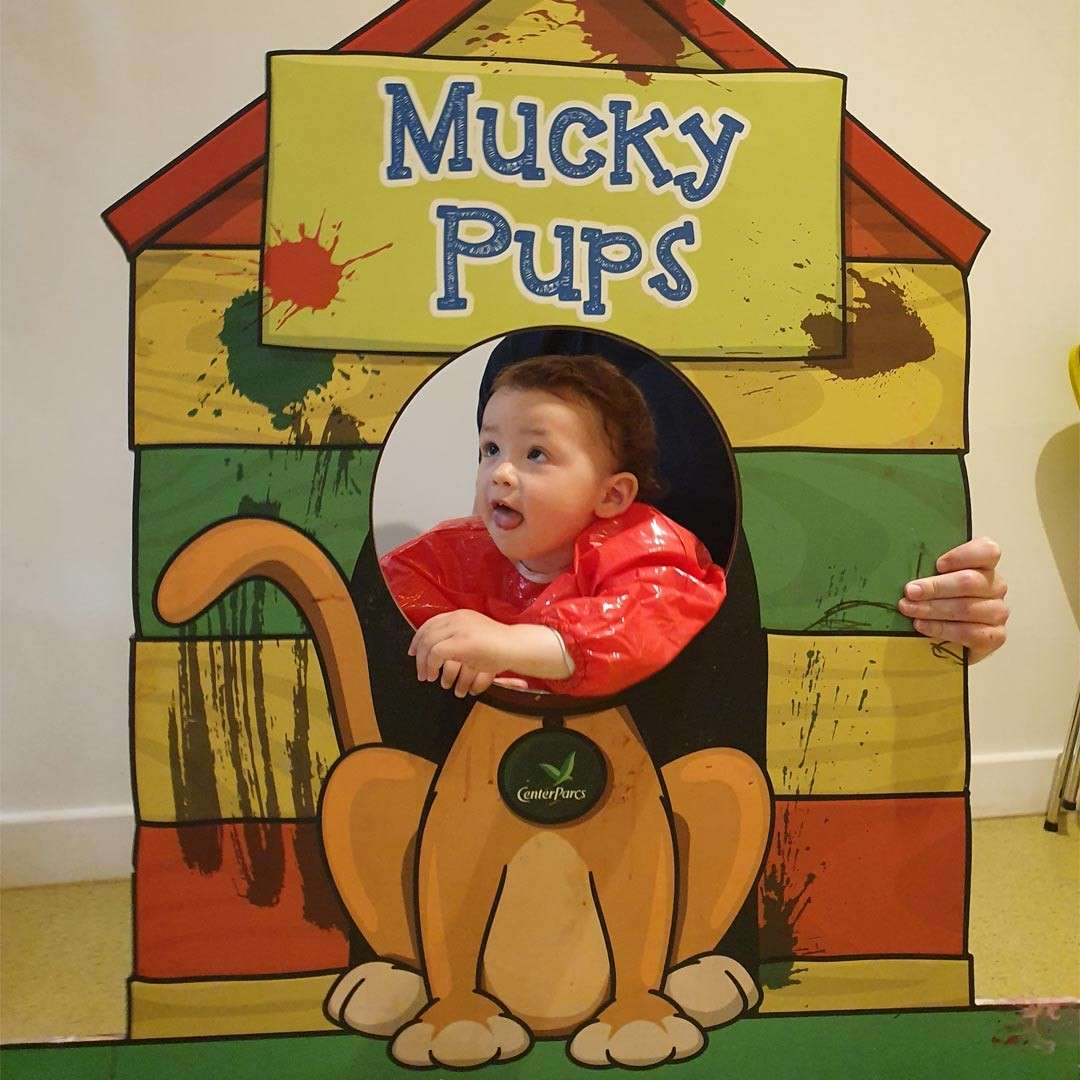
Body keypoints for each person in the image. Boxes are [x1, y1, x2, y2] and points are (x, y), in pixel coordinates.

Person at [381, 353, 728, 699]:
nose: (500, 473)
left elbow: (641, 626)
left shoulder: (645, 548)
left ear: (611, 495)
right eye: (491, 448)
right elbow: (392, 589)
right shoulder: (457, 552)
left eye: (535, 454)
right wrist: (459, 651)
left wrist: (509, 646)